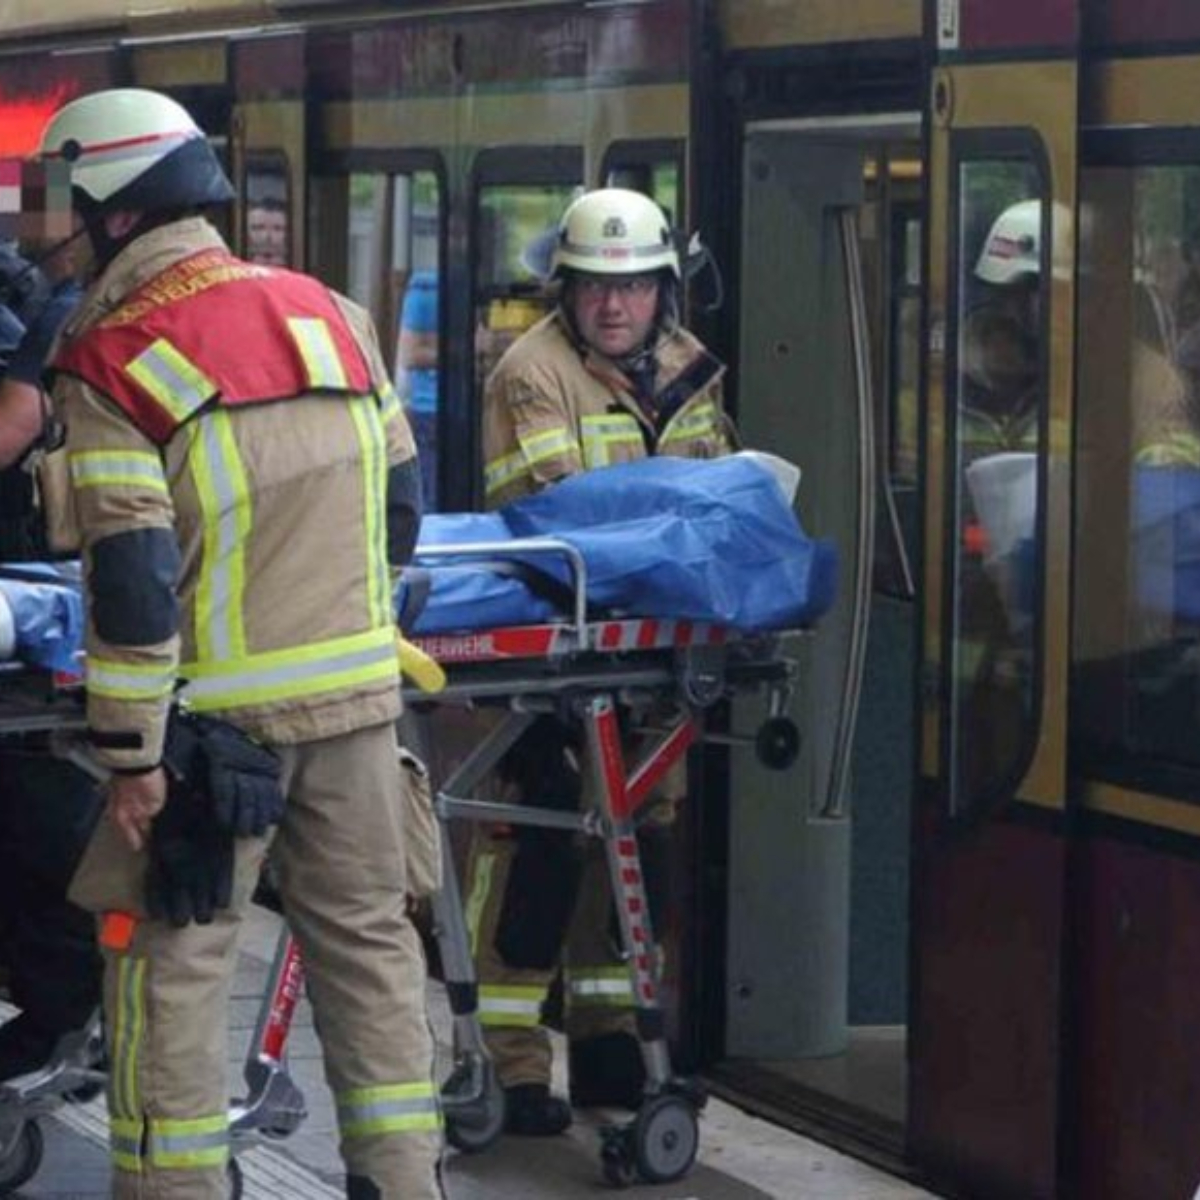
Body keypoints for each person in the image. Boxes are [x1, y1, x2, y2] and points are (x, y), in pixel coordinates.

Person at [38, 88, 442, 1199]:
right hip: (362, 710)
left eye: (59, 202)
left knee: (167, 965)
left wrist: (130, 755)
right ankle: (404, 1184)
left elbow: (130, 581)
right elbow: (401, 511)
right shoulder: (330, 312)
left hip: (213, 738)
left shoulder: (113, 355)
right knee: (369, 952)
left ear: (114, 210)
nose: (47, 230)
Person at [475, 187, 735, 1135]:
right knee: (540, 846)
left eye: (633, 289)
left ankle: (606, 1039)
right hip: (553, 649)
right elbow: (564, 515)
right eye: (595, 290)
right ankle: (506, 1064)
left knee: (636, 846)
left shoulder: (688, 371)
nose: (615, 307)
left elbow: (718, 494)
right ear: (568, 293)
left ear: (664, 291)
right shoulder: (531, 373)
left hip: (652, 652)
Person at [0, 240, 104, 1084]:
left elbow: (18, 421)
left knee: (34, 814)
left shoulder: (35, 309)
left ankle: (66, 1016)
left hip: (21, 601)